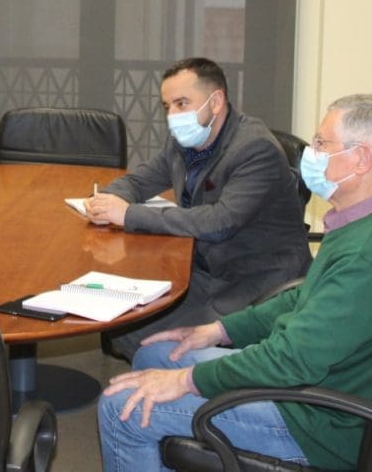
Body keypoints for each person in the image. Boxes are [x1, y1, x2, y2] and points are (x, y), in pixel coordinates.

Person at [97, 93, 372, 471]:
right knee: (154, 356)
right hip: (314, 386)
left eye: (322, 143)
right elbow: (305, 298)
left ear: (361, 159)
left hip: (317, 424)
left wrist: (186, 381)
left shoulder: (368, 256)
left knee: (121, 408)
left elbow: (291, 361)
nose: (311, 153)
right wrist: (219, 330)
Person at [84, 57, 310, 360]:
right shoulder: (185, 141)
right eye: (167, 106)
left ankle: (195, 383)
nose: (172, 116)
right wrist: (106, 200)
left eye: (182, 104)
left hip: (255, 281)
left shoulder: (255, 148)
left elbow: (220, 222)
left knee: (147, 342)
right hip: (205, 269)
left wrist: (127, 214)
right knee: (124, 328)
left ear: (215, 102)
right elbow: (139, 181)